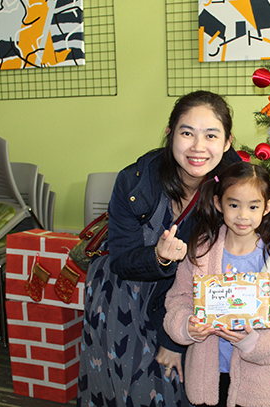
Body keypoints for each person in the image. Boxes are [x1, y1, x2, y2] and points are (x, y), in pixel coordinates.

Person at [77, 91, 241, 407]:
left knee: (175, 387)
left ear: (227, 141)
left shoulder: (237, 187)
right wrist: (159, 256)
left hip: (186, 304)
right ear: (170, 134)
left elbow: (231, 263)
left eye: (210, 135)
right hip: (124, 296)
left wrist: (173, 341)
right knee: (123, 382)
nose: (197, 147)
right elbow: (122, 260)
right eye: (186, 133)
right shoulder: (135, 180)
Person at [164, 162, 270, 407]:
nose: (243, 215)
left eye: (253, 206)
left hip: (256, 384)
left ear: (267, 207)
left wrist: (251, 341)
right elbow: (177, 300)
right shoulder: (201, 252)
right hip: (206, 377)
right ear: (218, 203)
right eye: (234, 205)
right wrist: (187, 326)